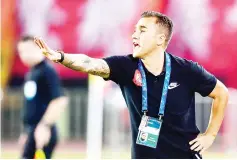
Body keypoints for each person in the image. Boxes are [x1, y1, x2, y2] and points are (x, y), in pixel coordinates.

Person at [34, 11, 229, 159]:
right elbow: (89, 63)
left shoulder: (186, 70)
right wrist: (60, 57)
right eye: (135, 30)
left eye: (142, 30)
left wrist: (210, 135)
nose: (134, 35)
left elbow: (221, 93)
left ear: (160, 39)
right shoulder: (125, 67)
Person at [17, 35, 68, 159]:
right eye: (21, 52)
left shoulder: (47, 71)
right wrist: (25, 132)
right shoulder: (31, 73)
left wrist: (44, 126)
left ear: (38, 49)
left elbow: (60, 100)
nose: (24, 55)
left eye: (28, 50)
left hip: (41, 132)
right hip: (31, 131)